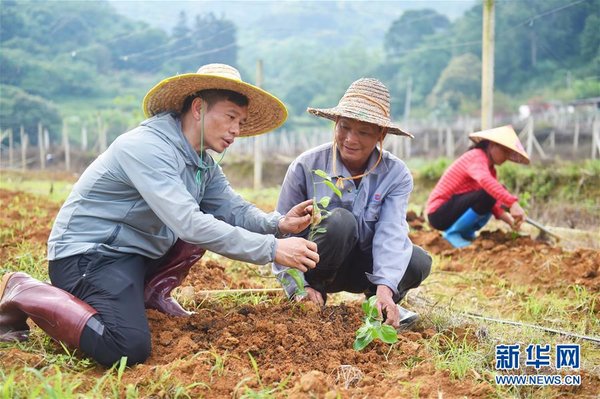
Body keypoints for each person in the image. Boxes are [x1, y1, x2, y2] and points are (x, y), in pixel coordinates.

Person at [0, 63, 320, 366]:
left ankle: (148, 294)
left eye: (241, 122)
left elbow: (231, 208)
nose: (237, 130)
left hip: (132, 256)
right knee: (127, 347)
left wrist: (277, 223)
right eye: (231, 117)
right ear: (198, 108)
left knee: (203, 224)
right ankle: (24, 289)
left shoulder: (201, 162)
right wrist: (273, 250)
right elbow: (189, 224)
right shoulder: (147, 148)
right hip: (89, 256)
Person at [272, 78, 432, 329]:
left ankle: (377, 305)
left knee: (417, 260)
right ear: (335, 123)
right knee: (340, 222)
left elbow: (391, 231)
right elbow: (281, 233)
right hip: (319, 264)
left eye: (364, 132)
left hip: (366, 269)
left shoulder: (395, 174)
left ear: (381, 134)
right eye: (344, 127)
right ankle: (315, 295)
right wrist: (298, 287)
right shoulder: (306, 166)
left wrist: (385, 289)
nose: (350, 139)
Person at [426, 125, 530, 248]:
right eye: (505, 151)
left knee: (493, 194)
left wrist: (510, 222)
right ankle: (453, 233)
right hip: (439, 214)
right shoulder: (476, 156)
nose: (506, 157)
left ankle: (465, 232)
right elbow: (485, 182)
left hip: (451, 211)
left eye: (509, 153)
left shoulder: (491, 170)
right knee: (489, 193)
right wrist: (512, 203)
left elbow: (494, 204)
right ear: (492, 145)